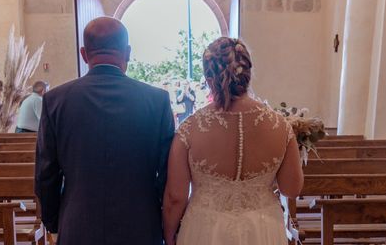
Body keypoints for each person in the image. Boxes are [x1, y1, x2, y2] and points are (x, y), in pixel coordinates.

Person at [35, 17, 174, 245]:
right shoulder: (156, 101)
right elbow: (166, 173)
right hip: (140, 225)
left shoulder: (56, 101)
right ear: (127, 52)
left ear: (84, 53)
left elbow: (46, 174)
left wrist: (53, 222)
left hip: (78, 225)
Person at [162, 37, 304, 245]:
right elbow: (292, 189)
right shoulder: (281, 126)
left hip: (205, 230)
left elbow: (176, 197)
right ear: (247, 73)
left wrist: (168, 234)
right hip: (262, 229)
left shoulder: (189, 129)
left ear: (208, 78)